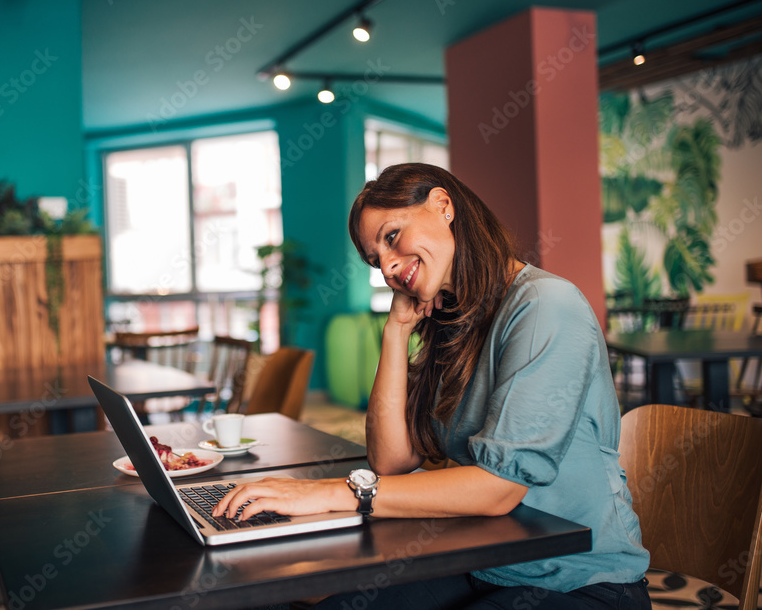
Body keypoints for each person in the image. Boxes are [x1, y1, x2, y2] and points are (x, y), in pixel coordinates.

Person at [213, 163, 651, 609]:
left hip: (581, 580)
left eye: (391, 237)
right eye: (374, 260)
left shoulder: (545, 306)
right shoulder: (455, 321)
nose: (386, 266)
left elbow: (498, 489)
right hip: (481, 564)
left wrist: (328, 494)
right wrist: (396, 333)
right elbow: (392, 461)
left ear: (442, 205)